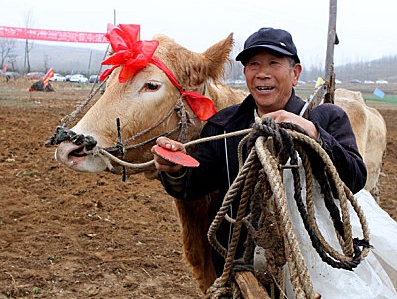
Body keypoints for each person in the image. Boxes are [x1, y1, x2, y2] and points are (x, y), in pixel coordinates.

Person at [152, 27, 367, 276]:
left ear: (295, 73)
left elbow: (354, 180)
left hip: (312, 263)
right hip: (239, 260)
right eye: (254, 64)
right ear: (245, 73)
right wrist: (176, 169)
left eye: (274, 63)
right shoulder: (223, 126)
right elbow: (193, 187)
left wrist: (313, 134)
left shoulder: (325, 118)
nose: (262, 74)